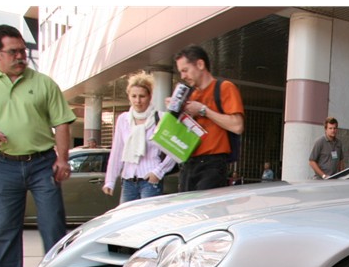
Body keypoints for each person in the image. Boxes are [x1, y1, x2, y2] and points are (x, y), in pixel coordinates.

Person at [0, 25, 75, 267]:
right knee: (3, 229)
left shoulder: (43, 83)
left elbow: (61, 122)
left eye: (22, 51)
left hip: (43, 164)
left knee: (53, 227)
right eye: (13, 52)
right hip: (5, 166)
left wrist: (63, 158)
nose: (21, 56)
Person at [173, 45, 244, 191]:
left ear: (200, 64)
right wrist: (175, 111)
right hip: (188, 163)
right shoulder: (190, 94)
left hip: (212, 164)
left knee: (207, 212)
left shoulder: (225, 88)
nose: (183, 76)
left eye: (185, 70)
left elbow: (237, 126)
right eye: (181, 72)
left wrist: (203, 110)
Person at [103, 71, 176, 203]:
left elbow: (174, 150)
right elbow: (117, 152)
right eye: (134, 96)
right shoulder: (123, 119)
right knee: (126, 221)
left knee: (147, 221)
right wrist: (110, 180)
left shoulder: (161, 118)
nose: (137, 101)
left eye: (142, 96)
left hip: (150, 181)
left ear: (150, 96)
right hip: (128, 181)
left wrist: (158, 172)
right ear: (129, 97)